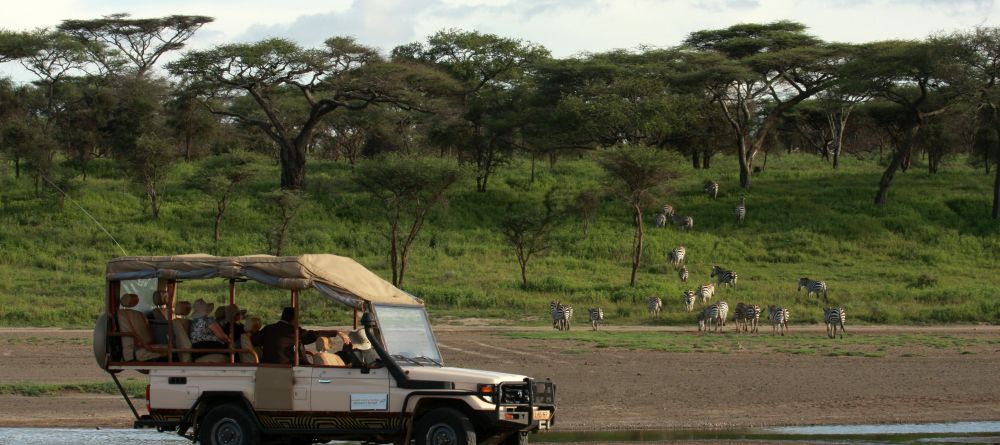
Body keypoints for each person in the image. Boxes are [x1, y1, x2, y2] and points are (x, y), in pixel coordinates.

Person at [251, 307, 349, 365]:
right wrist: (336, 332)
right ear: (294, 319)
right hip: (287, 366)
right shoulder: (293, 331)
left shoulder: (268, 328)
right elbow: (314, 334)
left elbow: (255, 341)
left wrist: (250, 330)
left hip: (267, 366)